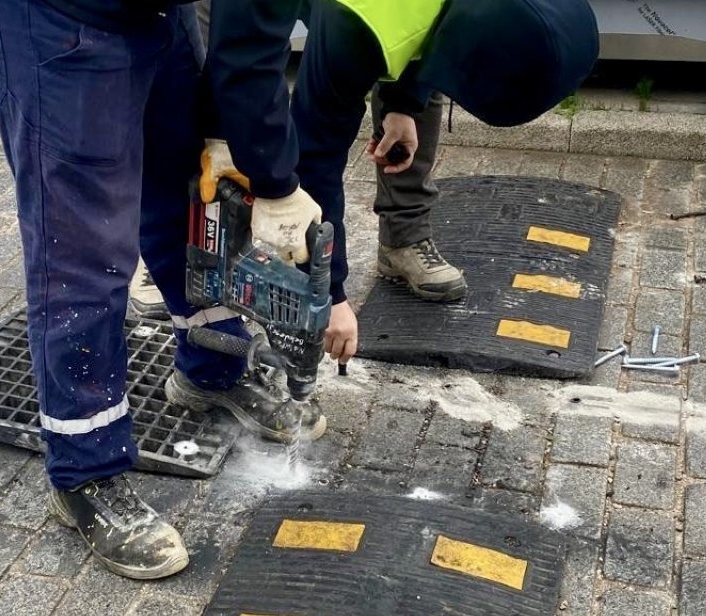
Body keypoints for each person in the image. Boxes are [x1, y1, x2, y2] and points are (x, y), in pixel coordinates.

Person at [0, 0, 324, 581]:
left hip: (154, 11)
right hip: (49, 14)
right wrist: (278, 183)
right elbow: (253, 46)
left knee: (189, 191)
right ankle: (84, 470)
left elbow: (250, 42)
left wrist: (240, 141)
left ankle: (211, 367)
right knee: (83, 245)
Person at [203, 0, 600, 363]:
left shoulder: (457, 17)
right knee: (212, 96)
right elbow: (314, 153)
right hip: (272, 14)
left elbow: (435, 27)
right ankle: (189, 258)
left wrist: (403, 104)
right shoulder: (359, 21)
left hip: (382, 18)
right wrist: (328, 293)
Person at [195, 1, 466, 305]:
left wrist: (405, 104)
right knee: (204, 61)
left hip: (372, 16)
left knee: (413, 57)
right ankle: (180, 239)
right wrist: (328, 292)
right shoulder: (347, 25)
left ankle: (406, 233)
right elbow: (249, 63)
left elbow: (424, 30)